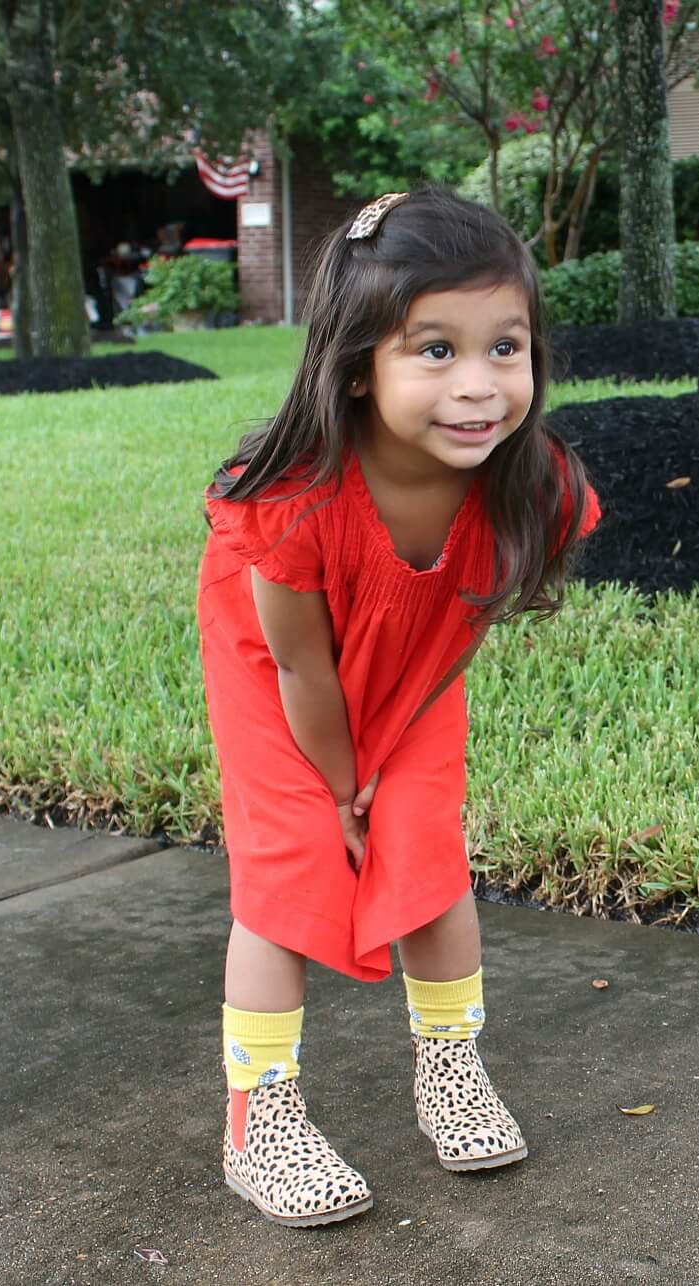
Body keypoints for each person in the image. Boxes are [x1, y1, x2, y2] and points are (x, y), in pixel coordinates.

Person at [197, 187, 600, 1227]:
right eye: (434, 351)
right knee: (289, 866)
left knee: (423, 847)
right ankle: (260, 1112)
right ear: (357, 366)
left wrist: (391, 768)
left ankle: (450, 1064)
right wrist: (340, 786)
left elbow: (461, 622)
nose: (479, 386)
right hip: (281, 677)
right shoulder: (287, 499)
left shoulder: (535, 485)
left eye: (504, 346)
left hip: (415, 662)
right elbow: (302, 671)